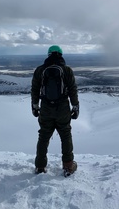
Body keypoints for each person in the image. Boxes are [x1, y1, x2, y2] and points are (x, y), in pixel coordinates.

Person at [31, 45, 79, 175]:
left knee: (43, 136)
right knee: (65, 135)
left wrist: (35, 106)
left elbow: (35, 90)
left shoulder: (40, 70)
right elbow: (72, 90)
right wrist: (75, 107)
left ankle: (40, 166)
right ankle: (68, 165)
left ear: (48, 55)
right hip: (62, 107)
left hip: (46, 108)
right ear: (61, 55)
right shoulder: (67, 70)